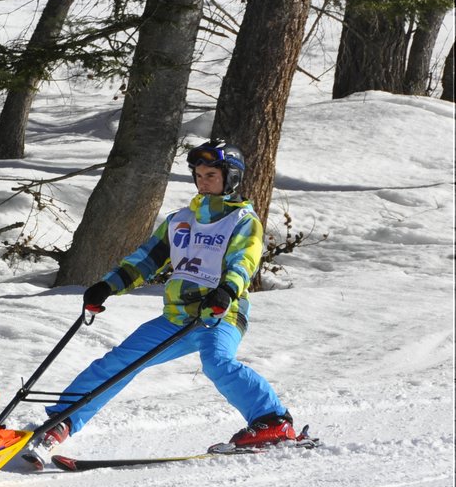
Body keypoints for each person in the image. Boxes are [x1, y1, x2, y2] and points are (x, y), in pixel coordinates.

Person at [26, 139, 296, 465]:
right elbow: (145, 261)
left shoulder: (242, 222)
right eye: (198, 174)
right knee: (119, 362)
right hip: (177, 317)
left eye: (211, 174)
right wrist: (107, 287)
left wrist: (226, 290)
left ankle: (272, 420)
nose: (203, 181)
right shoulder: (180, 221)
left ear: (232, 178)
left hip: (221, 312)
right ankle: (61, 423)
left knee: (216, 361)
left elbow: (244, 262)